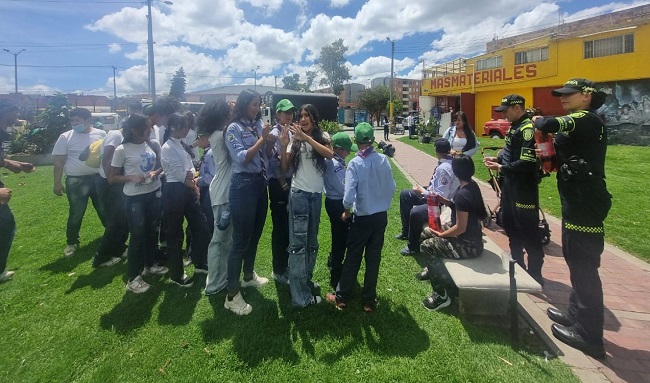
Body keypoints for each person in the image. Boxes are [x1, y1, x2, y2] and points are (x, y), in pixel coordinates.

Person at [533, 78, 611, 359]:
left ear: (587, 96)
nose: (563, 99)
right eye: (561, 95)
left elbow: (549, 125)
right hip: (575, 200)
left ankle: (590, 336)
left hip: (585, 202)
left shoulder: (586, 119)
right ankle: (575, 314)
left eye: (569, 94)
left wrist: (540, 120)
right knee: (574, 259)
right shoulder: (580, 119)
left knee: (584, 266)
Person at [326, 122, 396, 312]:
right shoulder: (383, 159)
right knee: (373, 259)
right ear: (372, 139)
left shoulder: (355, 163)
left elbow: (348, 195)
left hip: (362, 217)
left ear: (356, 140)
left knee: (353, 257)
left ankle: (341, 297)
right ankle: (368, 300)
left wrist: (347, 210)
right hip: (380, 217)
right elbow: (392, 188)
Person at [484, 94, 545, 285]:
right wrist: (499, 160)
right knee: (509, 223)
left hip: (523, 188)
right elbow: (512, 155)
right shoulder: (515, 127)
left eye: (506, 111)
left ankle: (535, 274)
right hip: (510, 185)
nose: (504, 116)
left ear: (517, 108)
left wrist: (501, 168)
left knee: (528, 231)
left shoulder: (527, 129)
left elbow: (526, 162)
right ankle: (517, 264)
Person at [279, 104, 334, 308]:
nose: (303, 119)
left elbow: (329, 154)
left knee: (311, 243)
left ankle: (305, 282)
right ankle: (300, 297)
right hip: (300, 195)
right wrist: (285, 145)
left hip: (315, 196)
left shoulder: (322, 136)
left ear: (314, 118)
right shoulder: (294, 138)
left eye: (307, 115)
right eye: (301, 116)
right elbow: (284, 168)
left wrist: (306, 139)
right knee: (298, 246)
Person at [224, 89, 271, 315]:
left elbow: (267, 156)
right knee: (240, 241)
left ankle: (248, 276)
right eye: (254, 104)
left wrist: (269, 141)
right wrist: (263, 139)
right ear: (243, 105)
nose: (257, 108)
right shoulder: (234, 129)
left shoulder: (257, 126)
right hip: (243, 185)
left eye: (259, 104)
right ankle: (231, 295)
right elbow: (242, 157)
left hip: (260, 185)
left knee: (255, 235)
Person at [420, 154, 488, 311]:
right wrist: (442, 199)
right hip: (467, 238)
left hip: (468, 245)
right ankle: (433, 271)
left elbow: (460, 227)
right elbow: (456, 205)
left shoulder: (463, 194)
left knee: (427, 246)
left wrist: (441, 235)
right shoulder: (470, 185)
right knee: (425, 234)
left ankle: (441, 295)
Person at [109, 114, 165, 293]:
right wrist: (131, 177)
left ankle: (150, 265)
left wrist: (155, 173)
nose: (150, 130)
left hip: (153, 193)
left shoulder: (151, 144)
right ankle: (132, 278)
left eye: (150, 128)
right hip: (134, 198)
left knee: (152, 231)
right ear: (133, 130)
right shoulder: (122, 150)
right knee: (137, 236)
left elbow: (161, 165)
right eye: (146, 128)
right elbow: (111, 177)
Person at [160, 112, 211, 288]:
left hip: (187, 189)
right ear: (173, 127)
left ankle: (200, 262)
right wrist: (192, 183)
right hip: (174, 191)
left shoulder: (181, 145)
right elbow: (182, 174)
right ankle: (176, 274)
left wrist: (192, 182)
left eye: (187, 125)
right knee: (175, 234)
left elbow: (190, 167)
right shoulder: (167, 147)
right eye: (183, 126)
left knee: (201, 228)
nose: (186, 129)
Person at [52, 107, 107, 257]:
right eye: (72, 120)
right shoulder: (65, 137)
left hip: (98, 179)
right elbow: (59, 161)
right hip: (76, 181)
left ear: (88, 120)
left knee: (104, 210)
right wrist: (57, 183)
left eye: (77, 120)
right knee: (76, 213)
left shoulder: (101, 134)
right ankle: (72, 242)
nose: (74, 123)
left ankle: (112, 237)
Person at [397, 138, 460, 256]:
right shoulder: (449, 161)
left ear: (436, 151)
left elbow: (440, 197)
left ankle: (413, 246)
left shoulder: (444, 168)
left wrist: (422, 191)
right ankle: (406, 231)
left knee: (415, 212)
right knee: (405, 194)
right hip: (435, 195)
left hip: (441, 204)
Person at [196, 99, 232, 296]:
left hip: (223, 190)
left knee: (225, 240)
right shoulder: (220, 135)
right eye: (227, 113)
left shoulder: (218, 133)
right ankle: (214, 283)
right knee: (220, 239)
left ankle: (220, 277)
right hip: (222, 192)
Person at [0, 100, 34, 282]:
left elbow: (0, 158)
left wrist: (16, 163)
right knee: (5, 224)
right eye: (15, 111)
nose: (18, 116)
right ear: (5, 111)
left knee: (5, 224)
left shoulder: (4, 134)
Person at [265, 99, 296, 285]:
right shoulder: (274, 134)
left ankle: (287, 265)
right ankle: (278, 269)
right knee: (280, 228)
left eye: (291, 111)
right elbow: (271, 160)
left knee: (289, 226)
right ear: (277, 114)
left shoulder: (292, 131)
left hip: (292, 181)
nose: (289, 114)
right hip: (278, 185)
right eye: (285, 112)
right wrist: (283, 182)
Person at [323, 132, 357, 290]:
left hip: (335, 202)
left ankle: (334, 261)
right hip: (337, 203)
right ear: (337, 149)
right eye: (347, 150)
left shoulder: (338, 161)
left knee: (340, 235)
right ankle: (336, 274)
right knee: (340, 239)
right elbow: (344, 188)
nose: (349, 152)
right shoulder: (335, 165)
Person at [92, 123, 128, 268]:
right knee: (114, 221)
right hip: (109, 183)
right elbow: (107, 160)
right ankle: (101, 256)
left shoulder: (121, 136)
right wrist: (111, 180)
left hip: (115, 182)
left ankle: (119, 248)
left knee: (122, 219)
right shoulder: (116, 135)